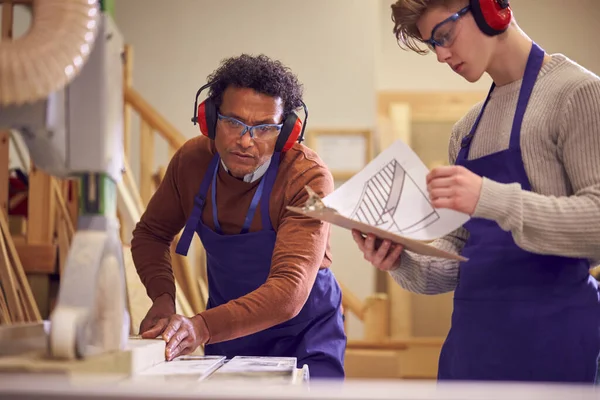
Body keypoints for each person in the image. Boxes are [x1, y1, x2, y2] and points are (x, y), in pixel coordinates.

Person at [353, 0, 600, 384]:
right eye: (431, 44)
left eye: (444, 36)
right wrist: (401, 260)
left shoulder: (577, 92)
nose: (440, 55)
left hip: (556, 341)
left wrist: (490, 197)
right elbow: (459, 256)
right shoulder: (466, 130)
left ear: (491, 10)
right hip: (472, 347)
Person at [131, 54, 346, 378]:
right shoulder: (191, 162)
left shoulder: (306, 177)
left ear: (287, 132)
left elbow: (289, 291)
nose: (246, 140)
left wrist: (202, 326)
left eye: (265, 128)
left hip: (305, 332)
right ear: (210, 118)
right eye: (233, 122)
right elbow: (151, 233)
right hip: (228, 330)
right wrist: (162, 296)